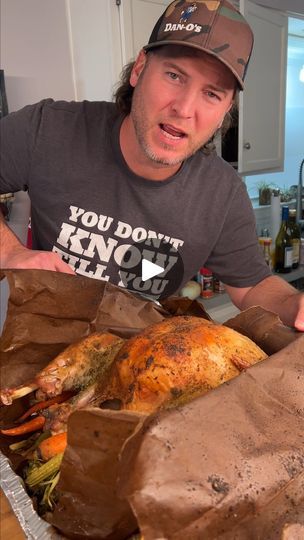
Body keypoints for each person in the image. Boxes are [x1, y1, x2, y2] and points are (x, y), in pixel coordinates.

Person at [0, 0, 303, 331]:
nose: (185, 109)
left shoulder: (223, 195)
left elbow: (254, 285)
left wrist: (294, 305)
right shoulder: (49, 130)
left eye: (212, 94)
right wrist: (11, 252)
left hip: (143, 366)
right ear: (139, 68)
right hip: (42, 353)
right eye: (174, 75)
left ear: (226, 111)